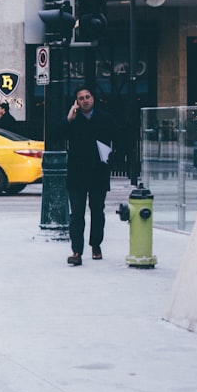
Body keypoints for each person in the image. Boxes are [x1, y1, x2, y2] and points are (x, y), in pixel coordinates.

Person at [60, 85, 115, 266]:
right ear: (77, 101)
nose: (85, 100)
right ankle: (77, 251)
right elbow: (55, 135)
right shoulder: (73, 120)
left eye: (87, 97)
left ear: (93, 98)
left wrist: (110, 157)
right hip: (77, 174)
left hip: (98, 172)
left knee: (97, 212)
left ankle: (96, 245)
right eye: (81, 98)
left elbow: (119, 138)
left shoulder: (106, 118)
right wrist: (68, 119)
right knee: (76, 214)